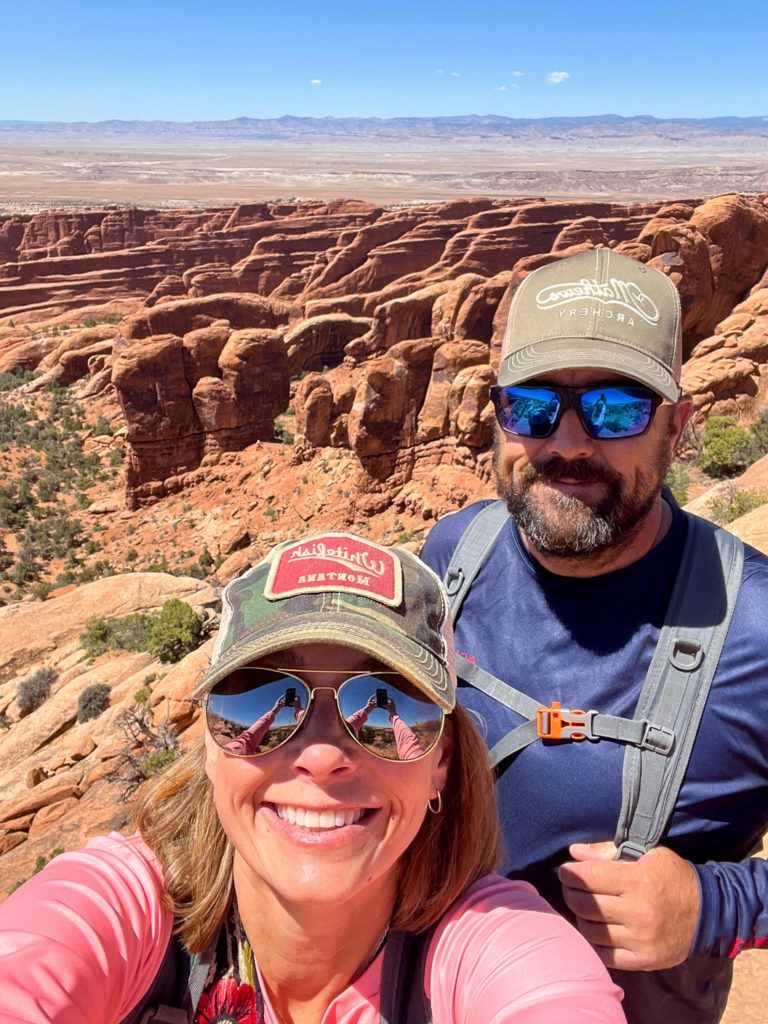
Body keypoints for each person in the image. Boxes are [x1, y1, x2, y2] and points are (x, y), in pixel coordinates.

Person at [0, 532, 625, 1023]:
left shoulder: (492, 947)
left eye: (386, 702)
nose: (322, 756)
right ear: (211, 750)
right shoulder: (129, 909)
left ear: (441, 764)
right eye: (262, 699)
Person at [420, 248, 768, 1024]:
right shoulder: (455, 554)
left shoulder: (753, 628)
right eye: (533, 407)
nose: (569, 443)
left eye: (616, 409)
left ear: (678, 426)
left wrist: (717, 906)